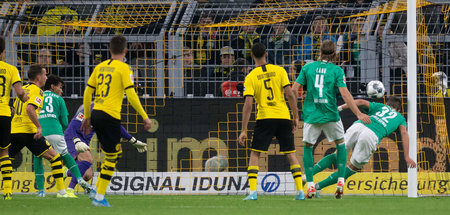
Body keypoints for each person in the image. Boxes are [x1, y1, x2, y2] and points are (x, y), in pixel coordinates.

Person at [291, 40, 371, 199]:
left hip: (312, 115)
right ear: (335, 54)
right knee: (341, 146)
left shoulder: (307, 67)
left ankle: (311, 187)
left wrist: (297, 111)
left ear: (319, 52)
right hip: (331, 115)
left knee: (307, 147)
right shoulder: (337, 70)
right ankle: (341, 181)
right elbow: (345, 94)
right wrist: (358, 114)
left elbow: (293, 89)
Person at [81, 35, 152, 207]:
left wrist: (87, 116)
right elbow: (132, 95)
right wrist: (144, 115)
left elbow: (87, 93)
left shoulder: (99, 67)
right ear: (125, 50)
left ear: (109, 50)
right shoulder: (124, 68)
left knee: (113, 153)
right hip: (110, 115)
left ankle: (96, 192)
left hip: (96, 113)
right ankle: (98, 198)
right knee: (113, 156)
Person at [238, 42, 305, 200]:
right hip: (283, 116)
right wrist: (295, 116)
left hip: (265, 117)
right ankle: (300, 192)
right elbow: (290, 94)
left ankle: (253, 192)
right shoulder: (280, 70)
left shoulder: (251, 77)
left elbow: (248, 104)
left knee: (255, 154)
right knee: (291, 154)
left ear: (252, 56)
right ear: (266, 54)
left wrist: (243, 129)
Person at [312, 97, 416, 193]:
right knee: (354, 166)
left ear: (387, 104)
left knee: (337, 155)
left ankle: (307, 176)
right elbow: (403, 133)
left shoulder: (381, 106)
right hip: (371, 134)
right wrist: (407, 156)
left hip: (359, 125)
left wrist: (339, 108)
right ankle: (318, 187)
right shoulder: (400, 118)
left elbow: (360, 102)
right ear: (398, 110)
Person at [9, 64, 69, 198]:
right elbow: (30, 109)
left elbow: (14, 110)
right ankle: (61, 192)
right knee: (55, 157)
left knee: (5, 160)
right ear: (38, 77)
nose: (46, 77)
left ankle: (7, 192)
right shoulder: (37, 90)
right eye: (45, 74)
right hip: (29, 132)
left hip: (14, 130)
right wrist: (39, 127)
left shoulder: (22, 89)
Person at [64, 103, 147, 197]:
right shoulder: (91, 107)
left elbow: (116, 127)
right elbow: (73, 126)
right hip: (73, 137)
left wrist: (133, 140)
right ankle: (69, 190)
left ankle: (65, 172)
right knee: (88, 159)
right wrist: (76, 141)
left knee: (87, 175)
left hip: (85, 141)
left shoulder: (107, 110)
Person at [34, 74, 91, 198]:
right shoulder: (59, 99)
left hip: (40, 131)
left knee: (37, 158)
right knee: (66, 156)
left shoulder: (38, 95)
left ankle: (41, 191)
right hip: (55, 132)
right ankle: (80, 180)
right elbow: (65, 122)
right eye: (60, 87)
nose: (62, 90)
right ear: (53, 87)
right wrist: (63, 131)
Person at [0, 36, 29, 200]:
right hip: (4, 113)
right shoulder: (11, 69)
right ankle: (8, 191)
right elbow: (19, 92)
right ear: (3, 52)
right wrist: (25, 98)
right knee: (4, 152)